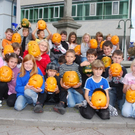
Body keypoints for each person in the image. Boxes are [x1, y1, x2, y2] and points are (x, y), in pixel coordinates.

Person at [53, 49, 84, 115]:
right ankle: (63, 103)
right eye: (68, 56)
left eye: (71, 57)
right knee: (71, 105)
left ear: (74, 58)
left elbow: (79, 76)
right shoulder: (62, 67)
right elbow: (61, 77)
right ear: (65, 57)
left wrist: (79, 83)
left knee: (81, 102)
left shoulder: (76, 66)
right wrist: (62, 85)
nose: (69, 58)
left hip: (76, 88)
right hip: (67, 88)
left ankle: (73, 100)